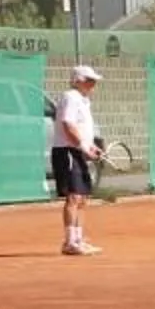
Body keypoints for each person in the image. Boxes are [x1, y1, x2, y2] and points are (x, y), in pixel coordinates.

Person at [50, 63, 106, 255]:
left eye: (94, 81)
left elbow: (81, 129)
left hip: (78, 151)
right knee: (73, 197)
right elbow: (68, 124)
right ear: (78, 81)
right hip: (67, 151)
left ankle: (79, 239)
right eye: (90, 81)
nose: (93, 84)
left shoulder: (83, 100)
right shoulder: (70, 97)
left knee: (83, 198)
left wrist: (91, 146)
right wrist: (83, 146)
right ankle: (69, 242)